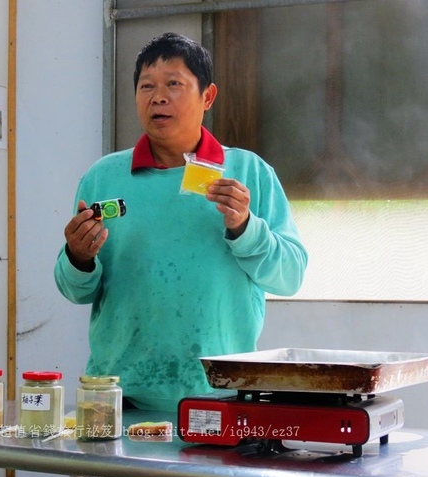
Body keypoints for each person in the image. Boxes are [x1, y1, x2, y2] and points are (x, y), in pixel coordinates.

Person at [54, 32, 308, 412]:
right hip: (120, 398)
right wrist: (78, 257)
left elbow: (290, 276)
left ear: (207, 96)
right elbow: (75, 291)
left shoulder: (248, 172)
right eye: (146, 86)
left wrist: (244, 228)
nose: (158, 97)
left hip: (222, 396)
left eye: (174, 83)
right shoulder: (103, 177)